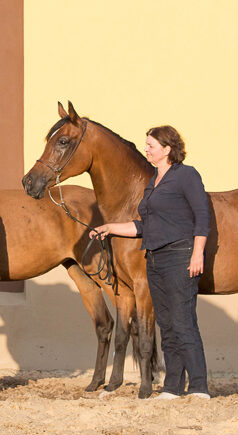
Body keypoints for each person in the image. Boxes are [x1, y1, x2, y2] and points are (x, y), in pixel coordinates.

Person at [91, 126, 211, 399]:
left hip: (180, 255)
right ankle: (172, 387)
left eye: (151, 145)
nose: (146, 149)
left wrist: (197, 253)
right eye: (146, 145)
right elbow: (143, 226)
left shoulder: (186, 175)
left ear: (167, 149)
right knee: (167, 325)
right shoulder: (154, 180)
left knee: (183, 323)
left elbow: (202, 216)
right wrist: (109, 227)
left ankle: (200, 386)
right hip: (155, 258)